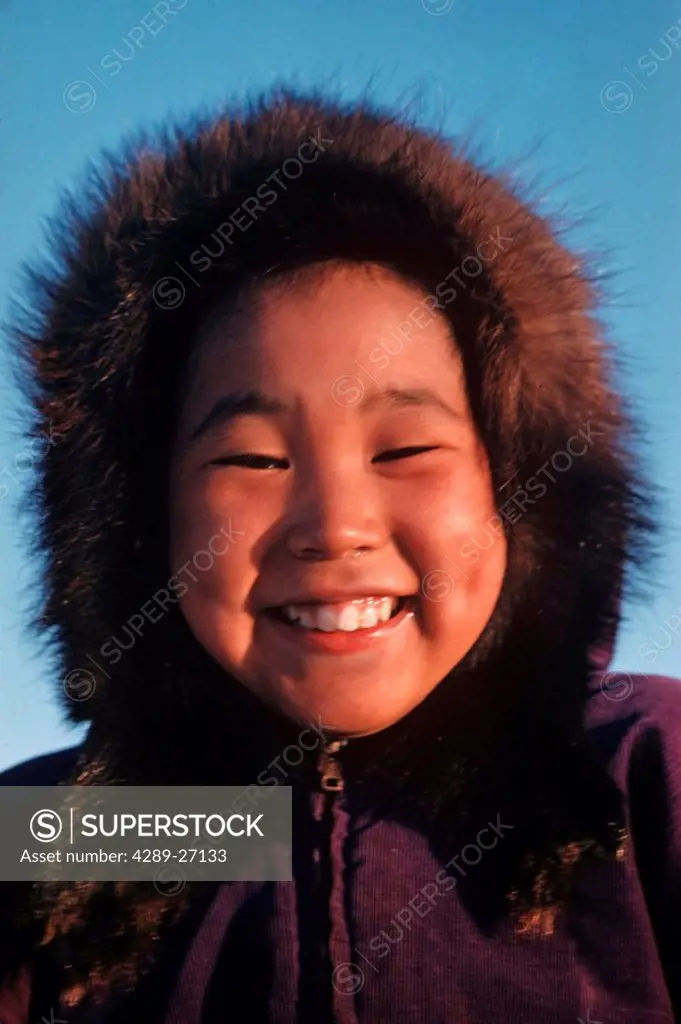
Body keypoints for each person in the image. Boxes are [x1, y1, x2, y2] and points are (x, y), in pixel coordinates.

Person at [0, 89, 679, 1024]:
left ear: (523, 491)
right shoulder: (80, 835)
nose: (334, 524)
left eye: (403, 450)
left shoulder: (644, 772)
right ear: (137, 520)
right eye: (252, 459)